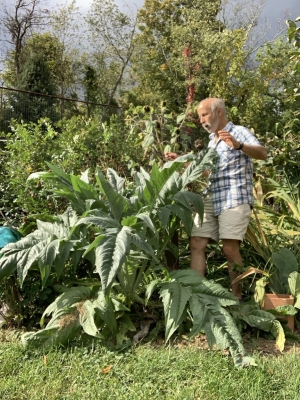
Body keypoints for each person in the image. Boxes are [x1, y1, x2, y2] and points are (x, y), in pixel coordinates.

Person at [165, 97, 267, 300]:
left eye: (204, 114)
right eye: (200, 116)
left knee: (229, 248)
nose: (202, 120)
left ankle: (236, 298)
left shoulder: (238, 131)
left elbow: (262, 153)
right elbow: (207, 171)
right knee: (196, 242)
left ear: (218, 111)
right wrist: (182, 162)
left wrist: (238, 145)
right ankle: (198, 294)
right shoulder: (213, 142)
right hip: (212, 197)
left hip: (235, 196)